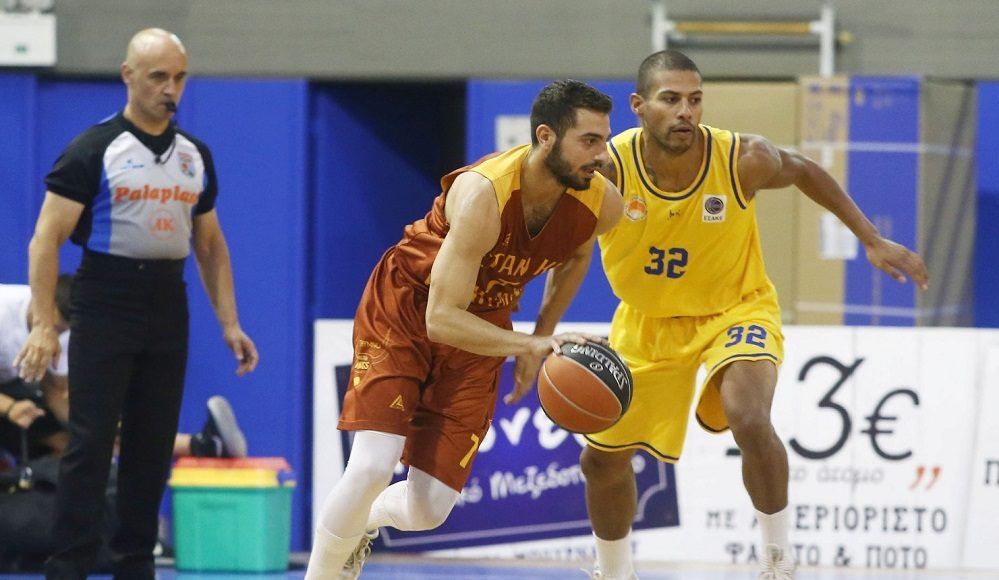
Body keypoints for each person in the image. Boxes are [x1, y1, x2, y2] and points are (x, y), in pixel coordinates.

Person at [580, 50, 929, 580]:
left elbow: (804, 170)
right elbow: (567, 241)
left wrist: (871, 238)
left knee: (748, 417)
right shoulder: (608, 167)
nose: (685, 111)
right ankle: (614, 572)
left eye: (695, 99)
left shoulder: (742, 158)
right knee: (600, 461)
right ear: (639, 106)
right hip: (648, 320)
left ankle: (778, 562)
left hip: (736, 308)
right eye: (670, 99)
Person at [305, 79, 624, 579]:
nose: (602, 155)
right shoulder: (485, 194)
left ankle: (360, 522)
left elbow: (577, 254)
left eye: (604, 139)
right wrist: (531, 342)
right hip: (409, 308)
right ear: (545, 136)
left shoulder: (601, 204)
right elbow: (441, 318)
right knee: (371, 466)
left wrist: (540, 337)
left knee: (428, 509)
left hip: (483, 324)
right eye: (589, 141)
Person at [14, 28, 259, 580]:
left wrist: (230, 323)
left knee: (151, 443)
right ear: (128, 76)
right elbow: (45, 240)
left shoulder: (195, 155)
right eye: (158, 77)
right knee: (91, 441)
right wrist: (44, 324)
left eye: (180, 77)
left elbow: (211, 245)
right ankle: (68, 567)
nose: (171, 89)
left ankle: (134, 565)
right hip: (105, 297)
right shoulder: (93, 150)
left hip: (167, 301)